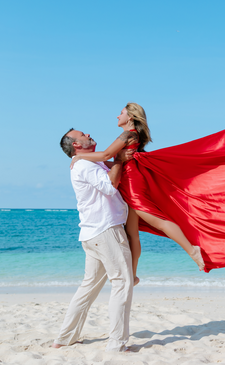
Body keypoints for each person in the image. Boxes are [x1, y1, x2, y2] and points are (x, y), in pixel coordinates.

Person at [70, 103, 205, 279]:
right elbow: (113, 161)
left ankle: (192, 250)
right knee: (131, 233)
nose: (117, 116)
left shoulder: (128, 134)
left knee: (157, 220)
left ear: (130, 117)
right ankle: (132, 275)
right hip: (129, 179)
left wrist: (79, 156)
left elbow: (105, 155)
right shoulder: (132, 135)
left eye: (121, 113)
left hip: (133, 182)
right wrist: (103, 161)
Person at [51, 129, 134, 353]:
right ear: (76, 145)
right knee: (122, 284)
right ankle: (117, 343)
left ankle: (64, 338)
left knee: (88, 288)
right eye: (82, 134)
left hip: (92, 234)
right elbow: (109, 186)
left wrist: (117, 159)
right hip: (105, 231)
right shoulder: (85, 165)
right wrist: (117, 159)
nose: (88, 133)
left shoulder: (87, 162)